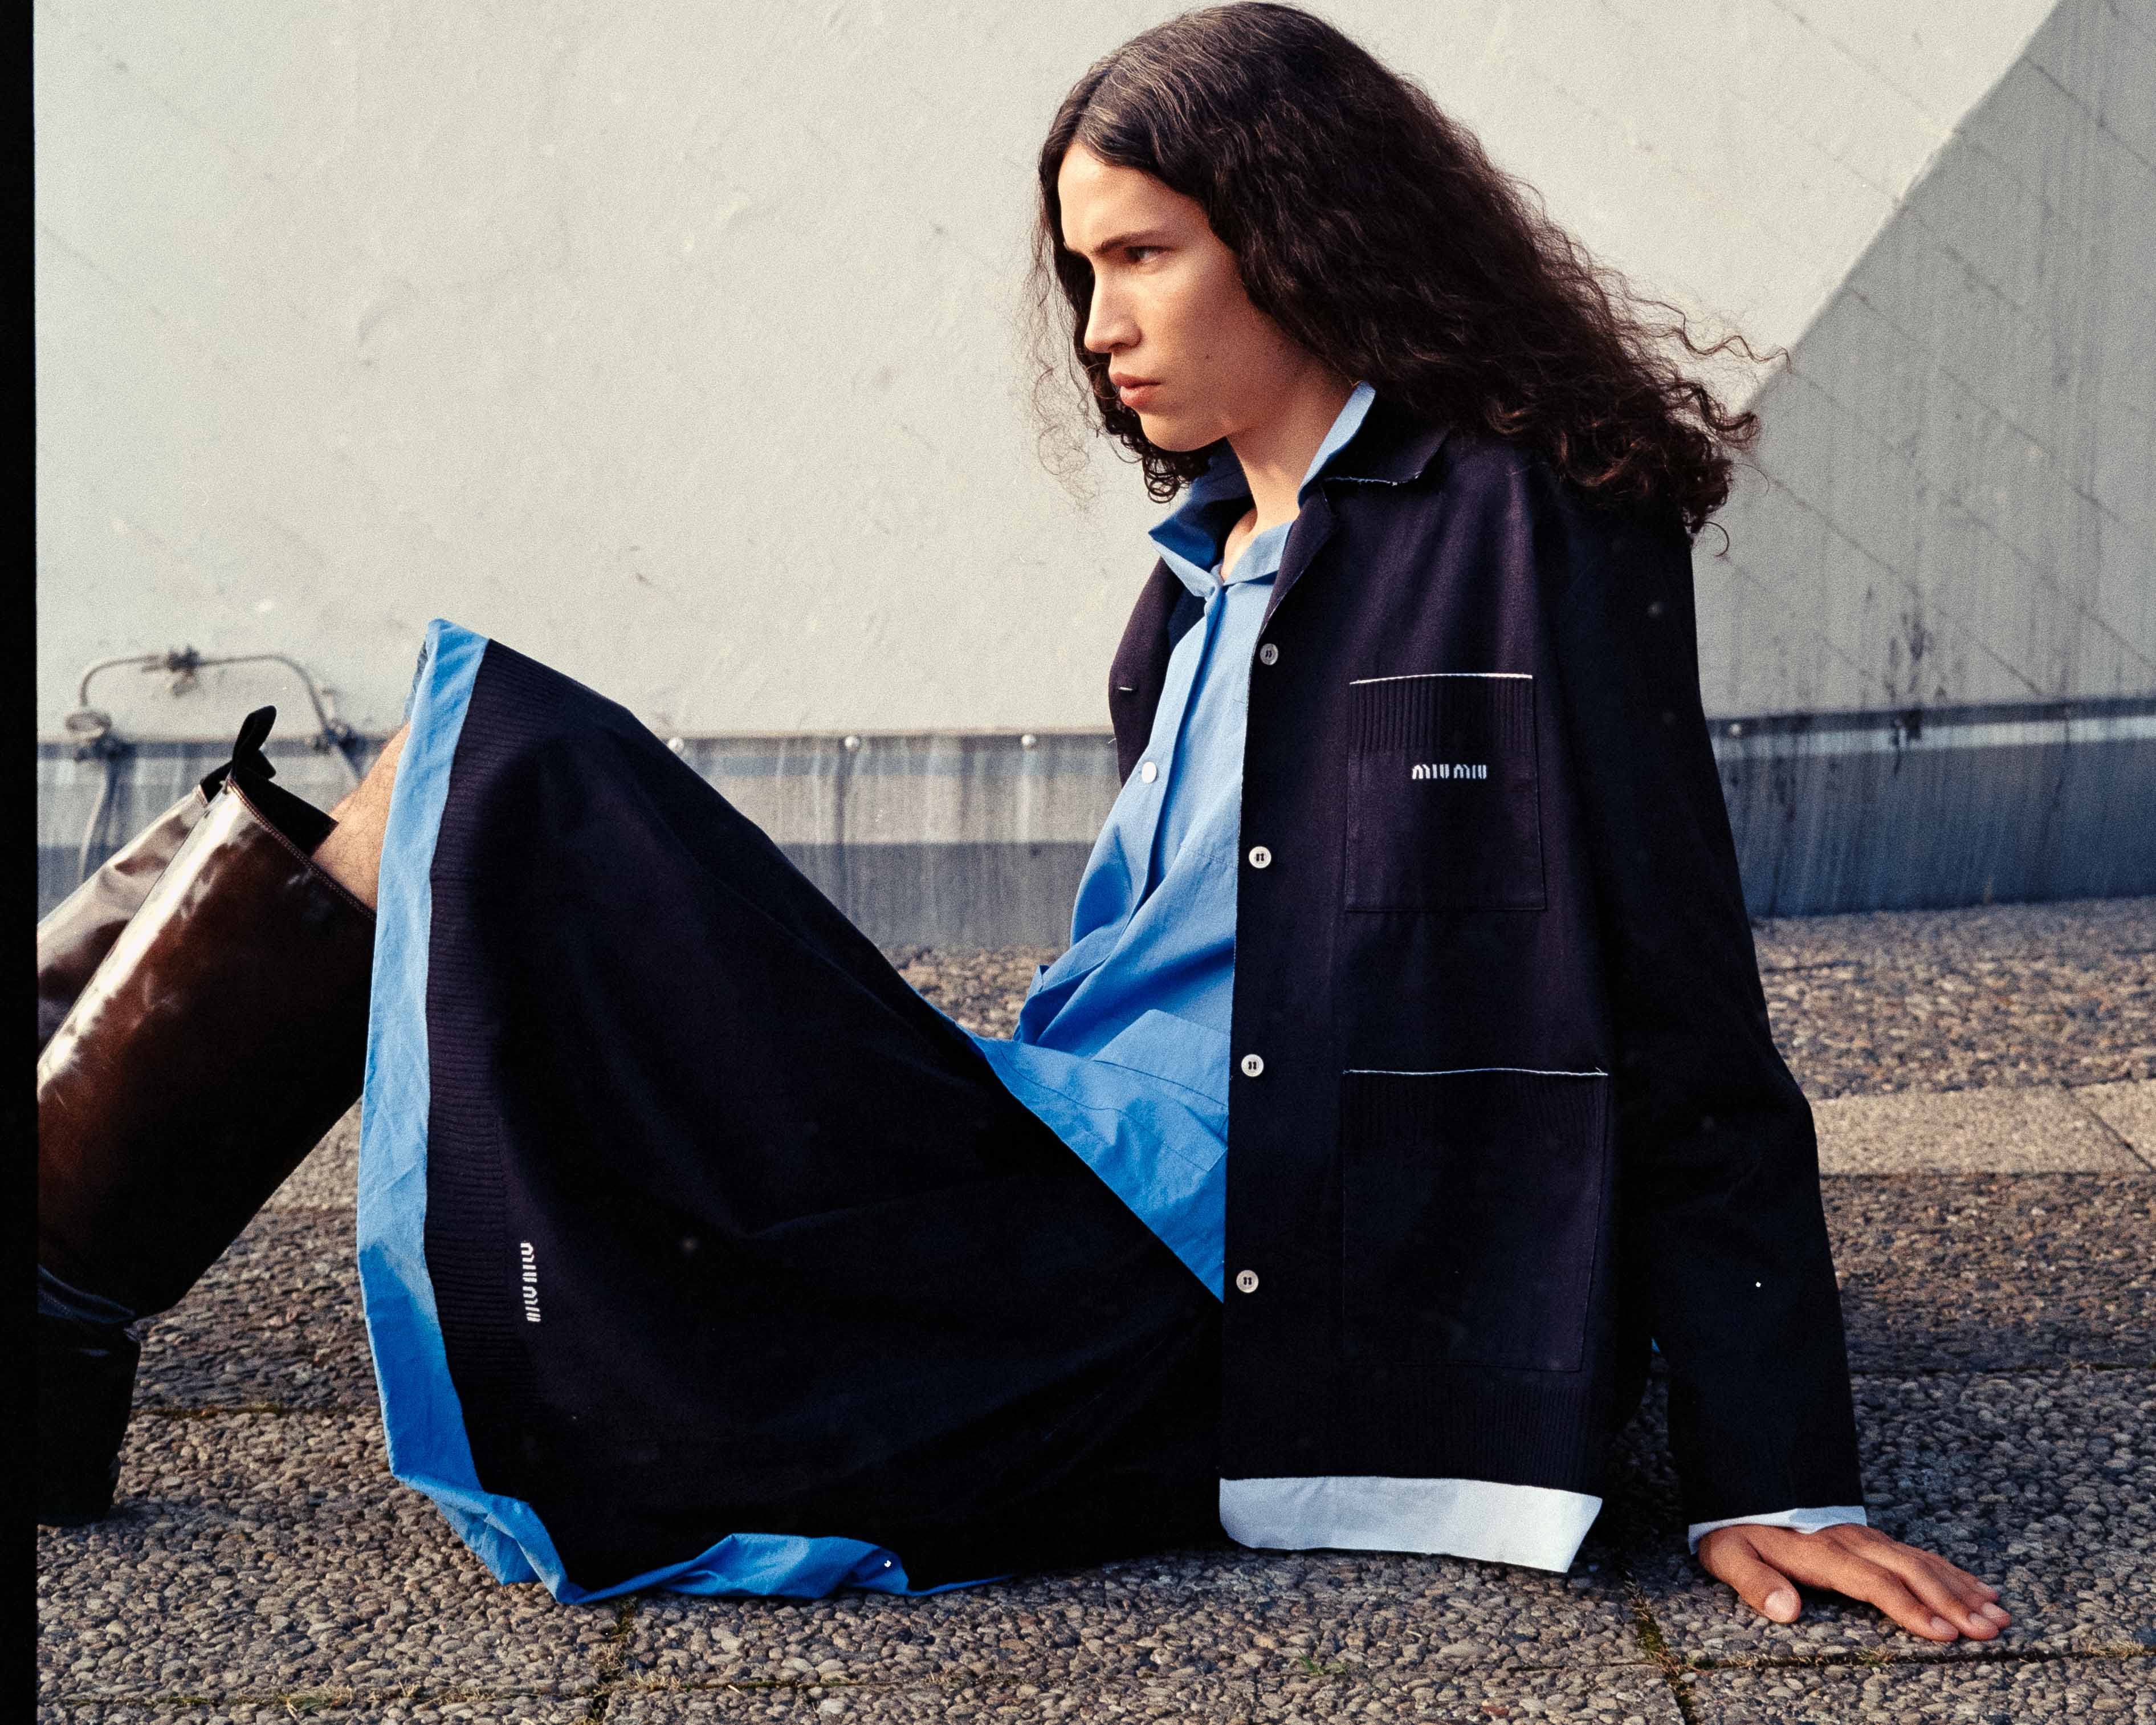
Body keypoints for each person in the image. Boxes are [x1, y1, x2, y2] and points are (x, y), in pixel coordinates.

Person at [37, 1, 2010, 1642]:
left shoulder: (1524, 526)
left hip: (1175, 1272)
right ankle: (48, 1293)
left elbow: (1676, 989)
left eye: (1143, 256)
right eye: (1083, 272)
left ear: (1304, 234)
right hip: (1047, 1157)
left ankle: (49, 1298)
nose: (1095, 325)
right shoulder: (1194, 588)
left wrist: (1775, 1467)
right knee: (439, 804)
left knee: (516, 774)